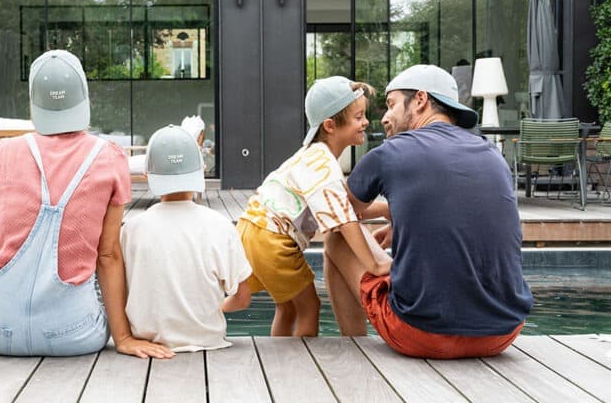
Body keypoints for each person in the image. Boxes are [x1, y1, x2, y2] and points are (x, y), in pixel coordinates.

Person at [0, 49, 173, 359]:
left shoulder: (2, 153)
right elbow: (108, 256)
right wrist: (124, 338)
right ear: (84, 99)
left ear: (34, 103)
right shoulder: (108, 156)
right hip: (71, 335)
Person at [325, 63, 533, 358]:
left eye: (392, 104)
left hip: (422, 334)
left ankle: (354, 347)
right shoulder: (492, 154)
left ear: (420, 100)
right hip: (502, 333)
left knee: (339, 238)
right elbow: (463, 206)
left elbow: (342, 212)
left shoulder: (390, 152)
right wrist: (398, 215)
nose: (384, 118)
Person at [237, 77, 392, 337]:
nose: (365, 122)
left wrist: (388, 211)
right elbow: (344, 220)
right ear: (331, 126)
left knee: (287, 307)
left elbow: (347, 205)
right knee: (309, 307)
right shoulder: (324, 164)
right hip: (273, 238)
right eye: (358, 117)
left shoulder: (313, 157)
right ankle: (302, 369)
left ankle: (279, 360)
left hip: (252, 228)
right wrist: (374, 265)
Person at [121, 124, 253, 351]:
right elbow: (242, 297)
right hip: (208, 344)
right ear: (201, 170)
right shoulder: (221, 227)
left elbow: (122, 291)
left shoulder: (131, 229)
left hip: (148, 347)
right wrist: (209, 311)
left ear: (146, 175)